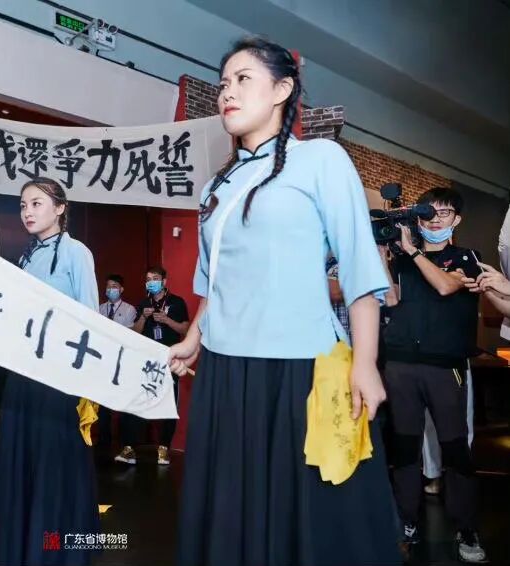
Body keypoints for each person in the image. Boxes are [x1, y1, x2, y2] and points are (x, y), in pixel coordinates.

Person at [168, 37, 400, 565]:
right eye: (223, 84)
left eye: (242, 79)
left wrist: (365, 362)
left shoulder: (319, 159)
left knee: (307, 519)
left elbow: (360, 268)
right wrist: (194, 339)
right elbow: (215, 280)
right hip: (225, 370)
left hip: (297, 368)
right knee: (232, 511)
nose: (227, 92)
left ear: (282, 89)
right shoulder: (217, 185)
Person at [0, 177, 100, 565]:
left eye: (36, 203)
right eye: (23, 205)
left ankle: (54, 548)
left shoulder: (77, 253)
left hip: (59, 377)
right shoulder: (26, 256)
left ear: (60, 208)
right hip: (23, 375)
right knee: (22, 459)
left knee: (55, 464)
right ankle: (22, 544)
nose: (27, 212)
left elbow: (90, 317)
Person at [380, 187, 487, 563]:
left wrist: (413, 252)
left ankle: (466, 526)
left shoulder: (467, 258)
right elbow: (390, 298)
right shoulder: (404, 258)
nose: (435, 220)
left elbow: (445, 286)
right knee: (405, 449)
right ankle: (406, 522)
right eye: (429, 213)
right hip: (401, 365)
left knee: (455, 449)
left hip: (445, 367)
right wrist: (381, 251)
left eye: (444, 213)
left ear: (457, 220)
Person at [115, 267, 189, 465]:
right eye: (148, 279)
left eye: (155, 278)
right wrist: (143, 317)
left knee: (168, 403)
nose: (151, 282)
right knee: (136, 401)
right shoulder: (143, 304)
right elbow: (135, 332)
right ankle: (129, 448)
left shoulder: (176, 302)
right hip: (146, 362)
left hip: (169, 360)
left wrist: (167, 320)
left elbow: (185, 328)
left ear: (164, 281)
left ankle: (163, 449)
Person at [96, 274, 136, 447]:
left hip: (122, 360)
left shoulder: (129, 309)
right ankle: (103, 441)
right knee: (103, 403)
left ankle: (125, 443)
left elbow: (128, 334)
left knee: (123, 402)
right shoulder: (99, 308)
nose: (110, 289)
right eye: (108, 286)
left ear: (121, 289)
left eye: (114, 286)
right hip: (104, 360)